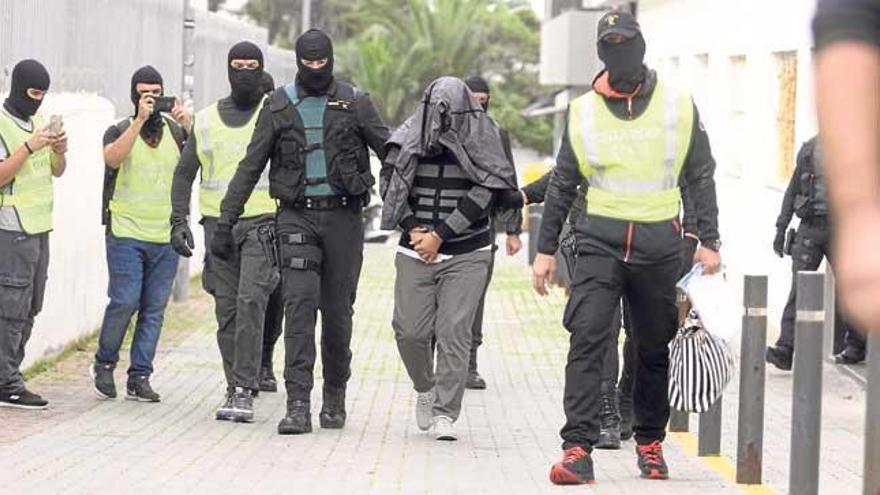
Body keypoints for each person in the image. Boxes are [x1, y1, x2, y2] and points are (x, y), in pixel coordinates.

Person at [532, 12, 721, 484]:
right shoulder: (581, 112)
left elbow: (700, 174)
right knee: (588, 339)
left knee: (651, 349)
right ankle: (577, 448)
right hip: (599, 243)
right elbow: (562, 184)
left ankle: (650, 443)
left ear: (641, 45)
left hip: (660, 247)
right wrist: (545, 249)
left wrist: (710, 242)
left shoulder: (678, 105)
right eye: (610, 44)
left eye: (627, 42)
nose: (620, 51)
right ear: (600, 53)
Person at [216, 28, 390, 435]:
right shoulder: (277, 105)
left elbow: (392, 152)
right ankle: (298, 404)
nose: (315, 69)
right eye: (307, 63)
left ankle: (334, 397)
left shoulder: (355, 102)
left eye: (321, 62)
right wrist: (226, 221)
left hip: (345, 220)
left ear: (330, 60)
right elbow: (250, 166)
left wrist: (412, 207)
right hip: (295, 218)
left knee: (337, 313)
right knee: (298, 306)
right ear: (297, 62)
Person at [381, 76, 519, 441]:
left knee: (454, 332)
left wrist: (441, 234)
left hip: (468, 251)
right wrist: (414, 231)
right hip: (414, 247)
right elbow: (391, 186)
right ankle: (425, 387)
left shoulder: (485, 137)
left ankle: (445, 411)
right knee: (409, 331)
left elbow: (489, 189)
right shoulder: (407, 136)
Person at [170, 42, 282, 423]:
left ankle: (243, 389)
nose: (245, 72)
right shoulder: (204, 119)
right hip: (218, 229)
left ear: (262, 69)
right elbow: (185, 172)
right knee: (228, 312)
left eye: (253, 66)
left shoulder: (274, 115)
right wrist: (177, 221)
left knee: (252, 303)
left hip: (263, 225)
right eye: (238, 66)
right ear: (228, 70)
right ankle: (235, 381)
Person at [91, 66, 190, 403]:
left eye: (156, 92)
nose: (150, 97)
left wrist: (188, 124)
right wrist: (138, 120)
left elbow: (200, 162)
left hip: (165, 236)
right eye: (144, 92)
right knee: (125, 300)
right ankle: (105, 363)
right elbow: (112, 159)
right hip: (126, 234)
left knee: (154, 308)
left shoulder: (177, 133)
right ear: (133, 94)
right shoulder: (119, 128)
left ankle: (140, 376)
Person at [767, 136, 867, 371]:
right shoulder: (809, 149)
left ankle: (856, 345)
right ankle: (785, 349)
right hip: (810, 228)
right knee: (799, 288)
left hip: (843, 229)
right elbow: (792, 190)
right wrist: (780, 228)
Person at [0, 59, 67, 409]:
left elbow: (57, 171)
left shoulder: (38, 123)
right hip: (10, 230)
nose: (38, 100)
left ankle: (10, 374)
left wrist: (58, 150)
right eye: (33, 93)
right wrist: (29, 147)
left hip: (40, 228)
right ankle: (6, 382)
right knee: (9, 308)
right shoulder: (1, 124)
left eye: (43, 94)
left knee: (30, 306)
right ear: (18, 88)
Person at [813, 0, 880, 335]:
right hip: (816, 227)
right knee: (808, 293)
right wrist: (859, 212)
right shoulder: (812, 149)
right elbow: (849, 23)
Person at [462, 75, 523, 390]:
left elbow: (507, 182)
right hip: (443, 227)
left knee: (475, 297)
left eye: (484, 99)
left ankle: (469, 363)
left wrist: (513, 229)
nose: (479, 105)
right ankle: (443, 360)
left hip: (482, 228)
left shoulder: (497, 134)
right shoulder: (441, 131)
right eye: (473, 99)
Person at [256, 70, 285, 394]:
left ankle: (264, 361)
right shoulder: (236, 129)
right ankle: (244, 366)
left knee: (276, 299)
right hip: (244, 225)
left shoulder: (286, 128)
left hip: (278, 226)